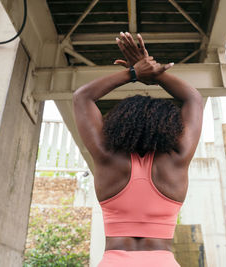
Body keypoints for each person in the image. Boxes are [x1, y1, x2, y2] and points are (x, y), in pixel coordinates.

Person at [73, 32, 203, 266]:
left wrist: (134, 73)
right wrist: (156, 76)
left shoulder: (106, 157)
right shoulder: (178, 159)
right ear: (169, 126)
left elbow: (82, 97)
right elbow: (193, 99)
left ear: (119, 124)